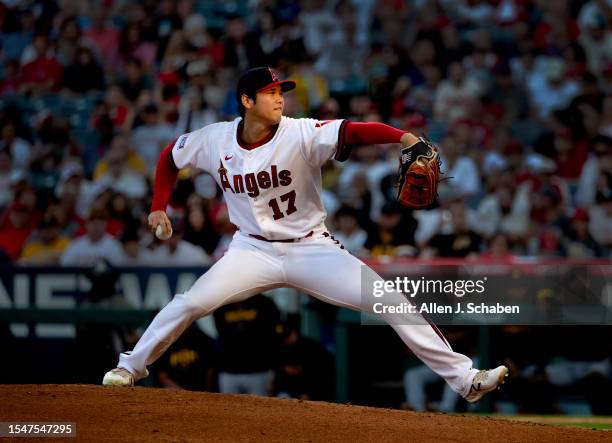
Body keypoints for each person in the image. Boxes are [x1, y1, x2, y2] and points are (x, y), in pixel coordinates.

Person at [103, 67, 508, 404]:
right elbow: (170, 156)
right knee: (189, 303)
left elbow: (354, 131)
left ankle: (465, 379)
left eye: (281, 91)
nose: (279, 98)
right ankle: (128, 367)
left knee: (390, 300)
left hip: (312, 248)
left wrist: (403, 137)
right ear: (246, 101)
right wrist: (159, 204)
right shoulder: (216, 139)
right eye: (269, 92)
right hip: (250, 250)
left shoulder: (301, 132)